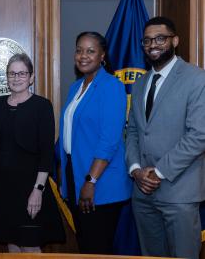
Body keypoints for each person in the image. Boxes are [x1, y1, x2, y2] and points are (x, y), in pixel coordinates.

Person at [126, 16, 205, 259]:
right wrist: (136, 169)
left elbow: (199, 136)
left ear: (175, 40)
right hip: (142, 193)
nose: (153, 45)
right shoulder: (140, 83)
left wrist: (158, 172)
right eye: (147, 40)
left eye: (160, 38)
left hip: (179, 191)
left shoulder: (196, 78)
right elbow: (133, 131)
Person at [0, 53, 65, 253]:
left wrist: (38, 190)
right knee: (12, 242)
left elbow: (46, 154)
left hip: (30, 188)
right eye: (12, 74)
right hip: (1, 189)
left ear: (31, 77)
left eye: (22, 73)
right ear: (7, 77)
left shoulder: (42, 106)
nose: (16, 78)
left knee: (31, 246)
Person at [59, 32, 132, 254]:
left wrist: (90, 181)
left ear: (102, 56)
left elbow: (109, 140)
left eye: (90, 51)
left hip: (101, 179)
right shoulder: (76, 87)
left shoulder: (112, 86)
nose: (83, 55)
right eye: (79, 50)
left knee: (97, 248)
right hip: (75, 172)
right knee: (85, 244)